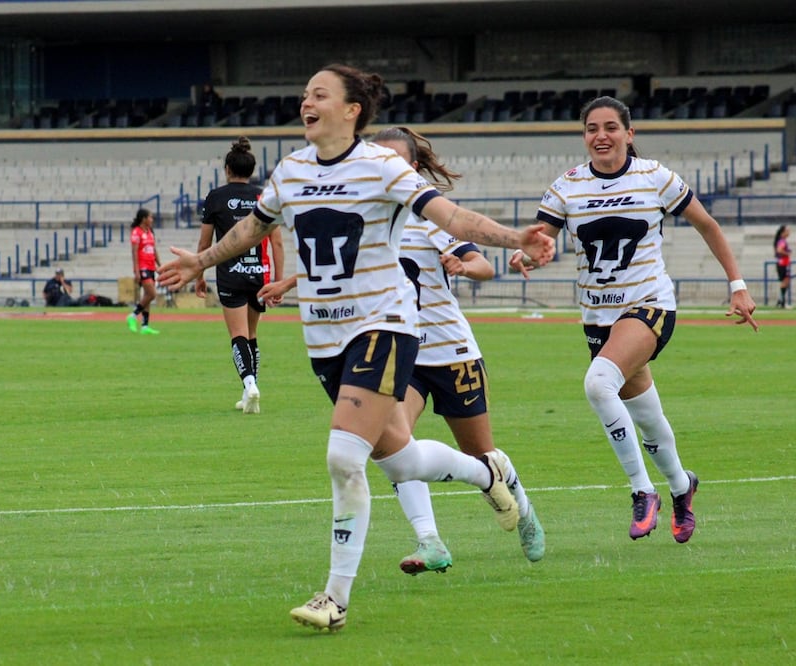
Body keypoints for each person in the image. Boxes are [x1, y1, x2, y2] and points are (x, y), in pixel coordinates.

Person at [159, 63, 554, 632]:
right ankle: (484, 476)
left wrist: (516, 236)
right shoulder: (291, 171)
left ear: (352, 111)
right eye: (303, 94)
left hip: (384, 324)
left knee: (343, 457)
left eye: (319, 94)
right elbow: (253, 228)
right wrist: (201, 259)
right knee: (400, 458)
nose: (305, 102)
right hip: (324, 338)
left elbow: (451, 215)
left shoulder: (383, 166)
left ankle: (334, 599)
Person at [512, 95, 758, 544]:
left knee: (597, 384)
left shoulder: (655, 177)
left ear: (630, 133)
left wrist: (737, 284)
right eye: (591, 128)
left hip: (650, 304)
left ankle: (644, 491)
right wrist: (526, 255)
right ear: (583, 136)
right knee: (645, 413)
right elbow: (540, 240)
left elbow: (708, 225)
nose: (600, 136)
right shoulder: (566, 187)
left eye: (610, 127)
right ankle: (683, 487)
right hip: (597, 315)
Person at [371, 126, 545, 569]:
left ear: (411, 167)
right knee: (393, 444)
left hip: (451, 351)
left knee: (480, 453)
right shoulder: (365, 215)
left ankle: (524, 510)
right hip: (401, 351)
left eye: (394, 160)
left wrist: (463, 266)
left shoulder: (429, 215)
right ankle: (431, 542)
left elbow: (482, 265)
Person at [195, 137, 285, 414]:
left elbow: (205, 242)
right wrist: (278, 282)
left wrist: (199, 272)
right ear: (251, 170)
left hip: (230, 273)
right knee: (252, 333)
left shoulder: (216, 197)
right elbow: (278, 242)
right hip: (258, 274)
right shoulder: (264, 196)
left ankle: (250, 384)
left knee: (238, 334)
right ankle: (249, 392)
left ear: (227, 169)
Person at [127, 208, 161, 335]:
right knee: (152, 294)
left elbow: (154, 250)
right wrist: (136, 270)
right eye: (150, 217)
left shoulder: (150, 232)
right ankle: (133, 315)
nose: (152, 220)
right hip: (142, 268)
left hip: (151, 267)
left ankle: (145, 326)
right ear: (144, 219)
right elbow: (134, 252)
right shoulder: (136, 232)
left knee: (147, 296)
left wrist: (160, 266)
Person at [774, 224, 790, 308]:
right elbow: (779, 250)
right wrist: (787, 253)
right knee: (785, 281)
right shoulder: (782, 241)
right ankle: (782, 302)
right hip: (782, 263)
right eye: (787, 231)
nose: (789, 232)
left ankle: (781, 301)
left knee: (785, 281)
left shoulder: (781, 240)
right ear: (783, 232)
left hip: (783, 263)